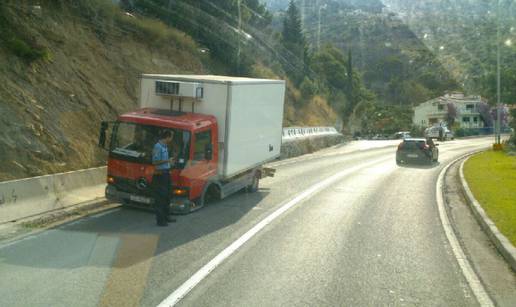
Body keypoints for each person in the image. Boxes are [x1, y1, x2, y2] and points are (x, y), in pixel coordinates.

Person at [152, 130, 176, 226]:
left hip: (166, 174)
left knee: (167, 196)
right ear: (168, 137)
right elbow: (155, 162)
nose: (172, 139)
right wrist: (167, 160)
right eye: (171, 137)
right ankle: (160, 221)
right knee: (160, 198)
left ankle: (167, 217)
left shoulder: (165, 146)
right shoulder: (157, 147)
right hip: (160, 175)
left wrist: (170, 162)